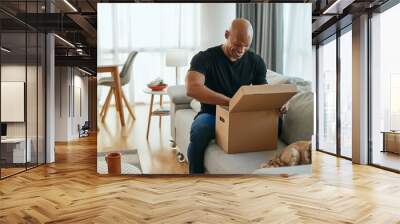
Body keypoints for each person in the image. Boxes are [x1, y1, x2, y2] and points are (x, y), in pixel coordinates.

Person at [185, 18, 287, 174]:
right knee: (200, 130)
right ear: (227, 34)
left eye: (246, 46)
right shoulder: (205, 58)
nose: (241, 50)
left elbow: (262, 90)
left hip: (243, 115)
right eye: (237, 44)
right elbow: (192, 88)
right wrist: (230, 101)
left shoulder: (256, 61)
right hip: (213, 114)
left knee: (277, 125)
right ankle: (196, 179)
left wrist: (276, 102)